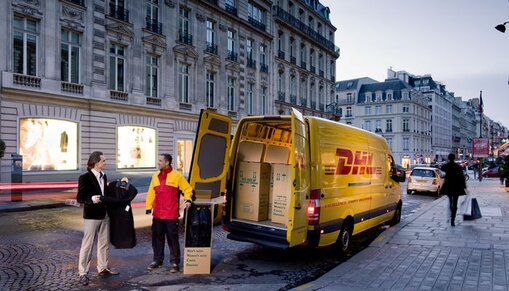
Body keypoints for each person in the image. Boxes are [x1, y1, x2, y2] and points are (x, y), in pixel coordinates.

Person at [76, 151, 119, 286]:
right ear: (96, 163)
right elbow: (80, 197)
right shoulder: (85, 178)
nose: (105, 163)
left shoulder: (103, 176)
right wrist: (91, 199)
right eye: (104, 161)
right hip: (92, 216)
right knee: (87, 245)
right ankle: (83, 272)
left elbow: (105, 193)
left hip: (105, 214)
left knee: (104, 243)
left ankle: (103, 267)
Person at [145, 154, 193, 273]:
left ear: (167, 162)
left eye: (160, 160)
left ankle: (175, 262)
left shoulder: (177, 176)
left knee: (172, 239)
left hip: (171, 214)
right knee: (157, 238)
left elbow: (187, 189)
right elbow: (151, 192)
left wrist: (188, 199)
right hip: (158, 214)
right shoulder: (155, 176)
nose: (158, 162)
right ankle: (157, 260)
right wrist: (148, 206)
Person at [440, 153, 467, 226]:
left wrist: (447, 161)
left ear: (448, 158)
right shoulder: (458, 167)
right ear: (454, 158)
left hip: (448, 186)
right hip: (456, 186)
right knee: (455, 202)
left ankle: (451, 208)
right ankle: (453, 219)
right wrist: (464, 186)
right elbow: (462, 177)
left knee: (450, 200)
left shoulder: (447, 166)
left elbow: (442, 167)